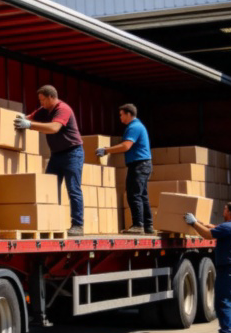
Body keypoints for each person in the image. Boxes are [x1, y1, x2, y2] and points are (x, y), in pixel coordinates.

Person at [14, 85, 85, 236]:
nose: (41, 103)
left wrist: (30, 125)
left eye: (42, 100)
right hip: (56, 155)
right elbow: (29, 118)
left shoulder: (63, 109)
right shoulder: (44, 110)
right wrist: (21, 119)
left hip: (72, 153)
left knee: (73, 189)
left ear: (51, 97)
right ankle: (53, 222)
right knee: (50, 189)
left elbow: (54, 128)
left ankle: (78, 225)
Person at [185, 202, 231, 333]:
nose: (223, 211)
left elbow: (208, 235)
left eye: (225, 209)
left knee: (223, 302)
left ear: (229, 212)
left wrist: (193, 223)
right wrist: (201, 223)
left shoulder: (228, 227)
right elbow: (215, 228)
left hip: (229, 271)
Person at [94, 103, 152, 234]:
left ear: (128, 114)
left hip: (139, 164)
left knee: (133, 194)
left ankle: (138, 225)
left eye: (121, 115)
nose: (120, 118)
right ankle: (148, 225)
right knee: (142, 195)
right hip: (143, 164)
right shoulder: (138, 126)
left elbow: (126, 146)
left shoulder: (134, 127)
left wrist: (106, 150)